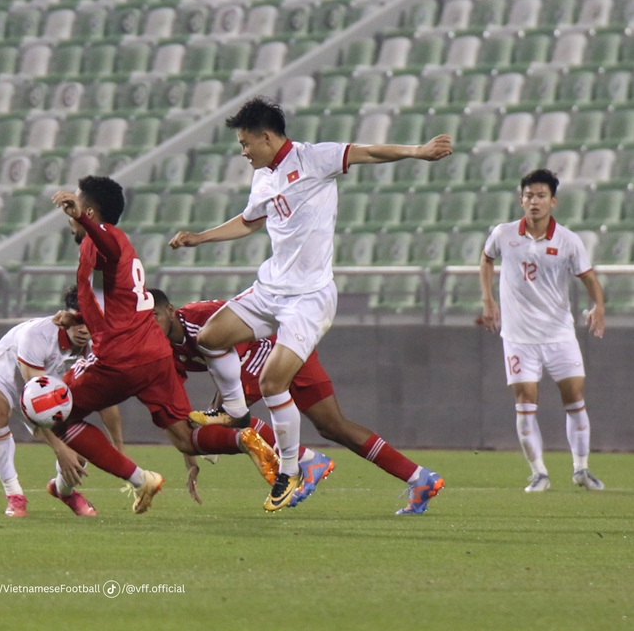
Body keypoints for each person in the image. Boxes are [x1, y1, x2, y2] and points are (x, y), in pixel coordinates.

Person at [169, 96, 452, 511]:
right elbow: (250, 220)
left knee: (271, 384)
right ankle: (234, 412)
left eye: (246, 143)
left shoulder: (315, 157)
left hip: (308, 298)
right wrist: (200, 236)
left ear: (267, 136)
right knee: (211, 337)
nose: (243, 152)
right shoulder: (264, 177)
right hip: (270, 288)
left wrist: (418, 151)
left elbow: (369, 152)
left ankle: (289, 470)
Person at [50, 176, 278, 513]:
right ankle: (240, 439)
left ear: (89, 211)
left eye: (76, 212)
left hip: (120, 357)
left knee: (58, 414)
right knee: (186, 438)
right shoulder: (97, 251)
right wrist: (79, 318)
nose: (70, 219)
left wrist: (83, 218)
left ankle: (140, 479)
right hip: (155, 354)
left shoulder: (106, 238)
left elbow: (110, 248)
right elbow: (102, 297)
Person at [152, 289, 445, 514]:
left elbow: (235, 369)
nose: (150, 324)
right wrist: (190, 459)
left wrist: (219, 412)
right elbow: (179, 412)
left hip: (274, 347)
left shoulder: (200, 318)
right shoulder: (165, 348)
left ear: (170, 310)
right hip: (289, 347)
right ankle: (420, 478)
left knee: (232, 416)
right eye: (144, 319)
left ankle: (308, 460)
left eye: (154, 316)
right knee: (333, 426)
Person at [480, 169, 605, 493]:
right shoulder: (504, 233)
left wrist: (599, 306)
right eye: (529, 195)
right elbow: (486, 259)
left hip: (559, 334)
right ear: (521, 199)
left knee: (575, 398)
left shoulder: (568, 240)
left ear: (553, 201)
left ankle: (581, 469)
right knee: (526, 401)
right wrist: (489, 300)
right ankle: (539, 473)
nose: (534, 201)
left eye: (541, 196)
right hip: (519, 338)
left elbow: (589, 278)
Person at [0, 286, 123, 518]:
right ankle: (14, 495)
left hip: (48, 394)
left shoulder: (99, 347)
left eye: (89, 321)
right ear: (64, 317)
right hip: (1, 380)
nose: (83, 329)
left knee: (81, 450)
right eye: (77, 321)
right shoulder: (37, 336)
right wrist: (60, 449)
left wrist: (119, 453)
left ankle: (63, 491)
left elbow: (105, 400)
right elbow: (34, 405)